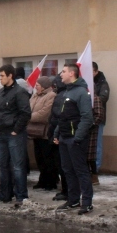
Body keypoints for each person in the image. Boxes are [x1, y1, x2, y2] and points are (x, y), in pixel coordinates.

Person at [54, 64, 94, 215]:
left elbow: (87, 118)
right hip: (64, 138)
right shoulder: (66, 92)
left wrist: (78, 137)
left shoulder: (81, 93)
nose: (60, 74)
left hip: (75, 139)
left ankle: (87, 203)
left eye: (63, 72)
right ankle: (73, 200)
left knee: (81, 171)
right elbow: (63, 117)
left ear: (72, 73)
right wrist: (57, 134)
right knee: (68, 170)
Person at [0, 64, 32, 208]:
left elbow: (26, 113)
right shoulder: (1, 92)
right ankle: (5, 193)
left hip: (14, 134)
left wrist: (16, 129)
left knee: (17, 166)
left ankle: (21, 195)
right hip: (1, 133)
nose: (0, 78)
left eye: (2, 76)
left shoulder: (20, 92)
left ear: (10, 76)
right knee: (2, 165)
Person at [27, 76, 58, 190]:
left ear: (44, 86)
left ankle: (51, 181)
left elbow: (45, 113)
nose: (36, 87)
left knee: (47, 158)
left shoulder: (51, 96)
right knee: (39, 157)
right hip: (35, 131)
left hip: (45, 132)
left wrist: (28, 117)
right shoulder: (35, 95)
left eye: (38, 85)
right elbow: (28, 107)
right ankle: (42, 180)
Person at [92, 62, 109, 172]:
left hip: (98, 118)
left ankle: (95, 170)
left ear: (96, 72)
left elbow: (104, 97)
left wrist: (91, 99)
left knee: (97, 145)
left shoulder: (102, 83)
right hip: (85, 117)